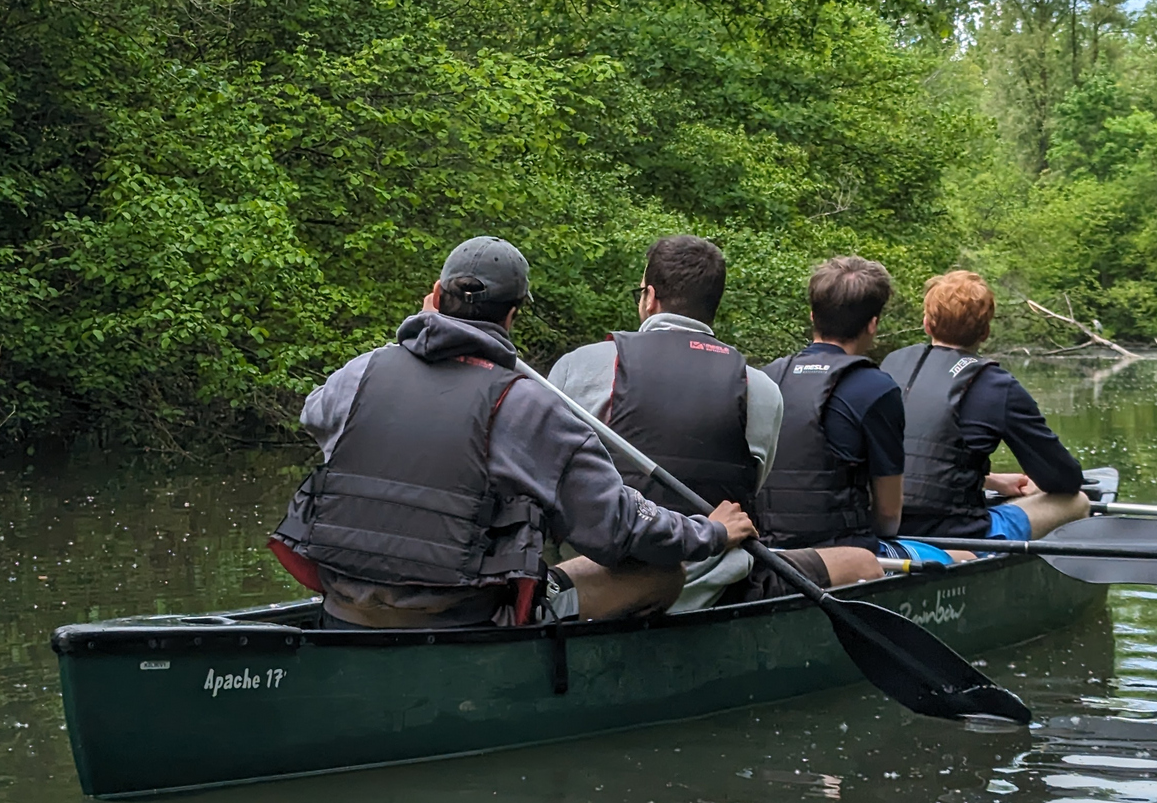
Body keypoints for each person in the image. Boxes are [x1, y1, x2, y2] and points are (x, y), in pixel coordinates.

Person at [270, 236, 755, 630]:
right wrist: (709, 532)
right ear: (512, 315)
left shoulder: (360, 373)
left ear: (435, 297)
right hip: (463, 620)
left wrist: (421, 335)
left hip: (342, 608)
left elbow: (319, 416)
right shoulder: (529, 406)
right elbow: (618, 529)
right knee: (659, 574)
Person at [549, 234, 885, 611]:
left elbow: (550, 482)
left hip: (599, 583)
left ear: (650, 298)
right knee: (863, 562)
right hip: (715, 583)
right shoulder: (758, 387)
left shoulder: (579, 367)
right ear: (713, 307)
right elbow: (751, 485)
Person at [881, 270, 1090, 542]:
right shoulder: (997, 386)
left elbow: (911, 456)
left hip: (883, 522)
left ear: (927, 325)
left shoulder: (890, 365)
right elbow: (1064, 481)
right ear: (986, 332)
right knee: (1078, 501)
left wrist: (989, 480)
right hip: (955, 532)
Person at [756, 254, 908, 557]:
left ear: (813, 315)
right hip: (841, 554)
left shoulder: (766, 377)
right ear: (873, 325)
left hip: (767, 552)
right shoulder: (878, 388)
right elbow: (889, 516)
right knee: (962, 556)